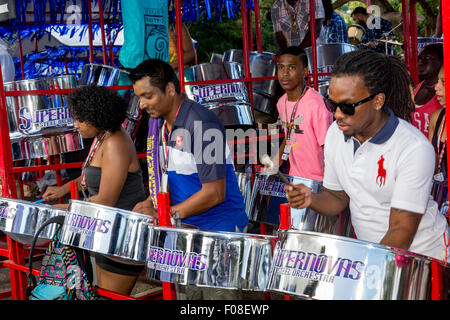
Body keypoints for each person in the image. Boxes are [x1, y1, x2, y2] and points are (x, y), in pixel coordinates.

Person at [285, 50, 448, 261]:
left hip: (425, 258)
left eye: (347, 106)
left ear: (378, 100)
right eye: (331, 104)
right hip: (375, 256)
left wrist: (365, 269)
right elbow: (337, 197)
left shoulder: (413, 148)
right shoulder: (336, 132)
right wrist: (311, 198)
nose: (337, 114)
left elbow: (401, 230)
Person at [42, 84, 147, 295]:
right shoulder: (103, 137)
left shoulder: (115, 142)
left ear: (97, 116)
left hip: (122, 237)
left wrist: (65, 208)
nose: (76, 125)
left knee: (109, 296)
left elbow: (106, 199)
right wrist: (63, 189)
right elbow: (97, 173)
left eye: (81, 120)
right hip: (105, 232)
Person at [273, 46, 333, 181]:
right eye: (281, 67)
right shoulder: (281, 103)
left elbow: (329, 150)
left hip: (319, 181)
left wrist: (328, 187)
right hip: (296, 178)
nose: (285, 73)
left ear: (305, 72)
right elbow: (290, 135)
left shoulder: (317, 105)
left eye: (292, 68)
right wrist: (278, 159)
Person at [412, 43, 443, 136]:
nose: (421, 62)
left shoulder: (444, 93)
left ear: (442, 61)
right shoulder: (413, 90)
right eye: (419, 59)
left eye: (428, 58)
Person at [428, 65, 447, 207]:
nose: (436, 87)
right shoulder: (437, 117)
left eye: (444, 82)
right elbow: (430, 161)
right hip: (438, 196)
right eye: (438, 81)